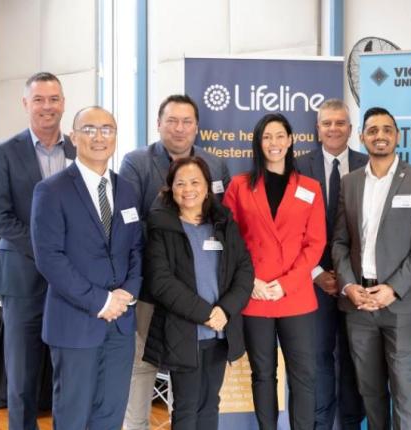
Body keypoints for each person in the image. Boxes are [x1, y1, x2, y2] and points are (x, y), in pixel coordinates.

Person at [119, 93, 231, 430]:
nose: (179, 128)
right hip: (154, 289)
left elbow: (220, 223)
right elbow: (130, 223)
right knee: (142, 371)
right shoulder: (136, 162)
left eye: (187, 121)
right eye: (172, 120)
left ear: (197, 126)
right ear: (158, 123)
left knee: (194, 391)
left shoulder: (216, 164)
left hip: (201, 298)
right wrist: (169, 256)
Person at [31, 106, 143, 429]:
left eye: (107, 129)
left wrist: (127, 294)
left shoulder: (127, 190)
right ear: (73, 136)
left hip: (121, 325)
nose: (99, 137)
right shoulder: (51, 191)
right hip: (75, 323)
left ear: (115, 137)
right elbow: (49, 259)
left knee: (110, 414)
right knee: (72, 416)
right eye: (89, 129)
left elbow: (136, 247)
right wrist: (101, 301)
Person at [331, 107, 411, 429]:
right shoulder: (349, 183)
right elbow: (339, 241)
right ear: (362, 137)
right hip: (358, 302)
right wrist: (350, 287)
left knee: (404, 386)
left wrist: (392, 289)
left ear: (398, 136)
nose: (380, 135)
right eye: (373, 129)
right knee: (370, 389)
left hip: (400, 303)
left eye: (387, 129)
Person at [223, 113, 326, 429]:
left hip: (295, 296)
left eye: (280, 136)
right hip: (255, 295)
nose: (274, 143)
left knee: (303, 374)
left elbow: (315, 243)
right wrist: (249, 282)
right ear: (258, 141)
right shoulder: (239, 186)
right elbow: (229, 239)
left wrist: (286, 284)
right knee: (263, 373)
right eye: (267, 136)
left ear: (291, 140)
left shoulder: (309, 187)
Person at [142, 156, 254, 429]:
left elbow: (244, 270)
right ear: (171, 188)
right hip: (185, 331)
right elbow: (161, 282)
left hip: (220, 331)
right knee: (187, 406)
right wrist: (206, 314)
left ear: (207, 187)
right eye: (180, 183)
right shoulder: (161, 224)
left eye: (195, 182)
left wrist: (224, 310)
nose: (188, 189)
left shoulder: (223, 221)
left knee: (209, 403)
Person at [0, 72, 76, 430]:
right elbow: (0, 217)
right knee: (22, 376)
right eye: (39, 99)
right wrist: (47, 252)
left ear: (63, 103)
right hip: (23, 278)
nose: (47, 106)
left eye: (54, 99)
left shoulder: (80, 150)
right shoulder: (2, 154)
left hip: (73, 283)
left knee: (67, 373)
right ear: (26, 104)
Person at [295, 99, 367, 429]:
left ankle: (351, 422)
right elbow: (290, 229)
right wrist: (317, 273)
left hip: (360, 284)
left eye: (340, 123)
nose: (334, 129)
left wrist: (350, 278)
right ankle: (321, 423)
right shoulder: (297, 168)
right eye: (327, 123)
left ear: (351, 129)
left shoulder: (370, 166)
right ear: (317, 129)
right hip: (313, 283)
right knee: (318, 358)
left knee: (355, 358)